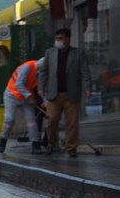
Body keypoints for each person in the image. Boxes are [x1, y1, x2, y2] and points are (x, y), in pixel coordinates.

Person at [38, 28, 92, 158]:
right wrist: (41, 87)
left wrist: (87, 87)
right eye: (57, 38)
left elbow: (84, 71)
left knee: (72, 122)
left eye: (61, 38)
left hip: (71, 93)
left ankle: (72, 148)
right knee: (52, 121)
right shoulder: (50, 53)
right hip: (54, 94)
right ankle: (51, 144)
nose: (58, 41)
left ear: (68, 39)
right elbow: (43, 71)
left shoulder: (78, 53)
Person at [0, 58, 44, 154]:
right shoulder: (27, 67)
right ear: (39, 67)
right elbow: (19, 84)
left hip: (25, 97)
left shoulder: (40, 73)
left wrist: (45, 102)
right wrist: (30, 97)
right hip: (11, 94)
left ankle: (36, 145)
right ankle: (3, 141)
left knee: (31, 121)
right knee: (9, 119)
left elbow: (40, 89)